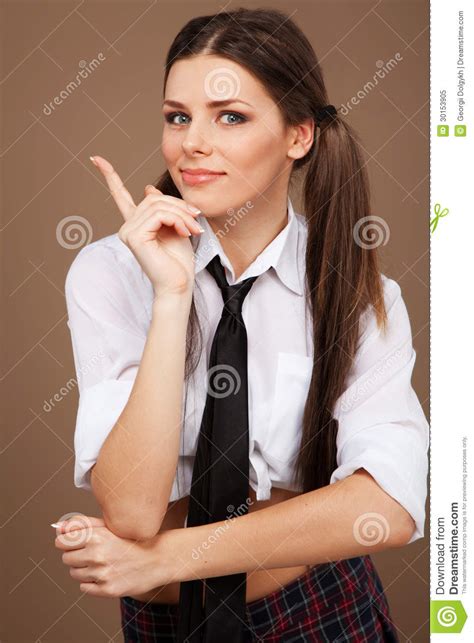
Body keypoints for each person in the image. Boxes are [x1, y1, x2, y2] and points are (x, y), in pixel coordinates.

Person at [58, 7, 429, 641]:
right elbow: (132, 510)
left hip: (321, 615)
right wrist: (172, 296)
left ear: (298, 136)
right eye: (178, 116)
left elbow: (388, 505)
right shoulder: (109, 273)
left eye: (230, 116)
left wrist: (173, 556)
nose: (191, 143)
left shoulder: (362, 295)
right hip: (164, 626)